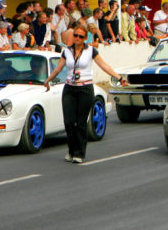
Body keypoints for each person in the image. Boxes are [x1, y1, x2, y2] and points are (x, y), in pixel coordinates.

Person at [44, 27, 126, 163]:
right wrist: (48, 80)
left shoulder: (91, 51)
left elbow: (103, 65)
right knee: (69, 122)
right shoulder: (67, 51)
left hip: (85, 89)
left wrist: (118, 77)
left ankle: (79, 153)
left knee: (81, 122)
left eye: (81, 37)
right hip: (70, 88)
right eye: (75, 35)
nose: (77, 39)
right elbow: (58, 68)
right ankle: (71, 150)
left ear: (85, 38)